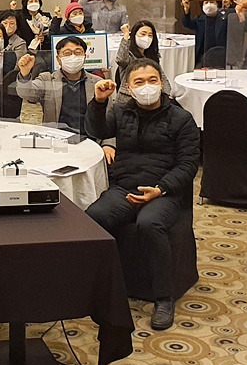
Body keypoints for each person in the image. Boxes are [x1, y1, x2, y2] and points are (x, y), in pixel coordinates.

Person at [85, 58, 201, 331]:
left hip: (164, 191)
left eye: (152, 80)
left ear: (161, 84)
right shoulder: (122, 111)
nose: (147, 86)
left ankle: (164, 298)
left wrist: (160, 189)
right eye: (139, 82)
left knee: (149, 223)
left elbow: (188, 165)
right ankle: (100, 287)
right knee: (93, 217)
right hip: (125, 187)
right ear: (128, 87)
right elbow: (96, 131)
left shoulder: (181, 119)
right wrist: (99, 102)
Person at [16, 37, 111, 152]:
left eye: (78, 52)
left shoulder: (97, 83)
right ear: (58, 59)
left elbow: (110, 116)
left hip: (91, 141)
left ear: (85, 57)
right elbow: (27, 93)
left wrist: (108, 144)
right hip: (55, 141)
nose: (73, 57)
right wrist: (25, 75)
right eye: (67, 53)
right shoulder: (47, 79)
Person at [181, 0, 247, 66]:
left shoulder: (226, 17)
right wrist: (186, 10)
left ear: (217, 4)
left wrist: (232, 7)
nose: (209, 5)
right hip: (203, 58)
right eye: (206, 2)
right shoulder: (200, 19)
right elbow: (187, 23)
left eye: (212, 2)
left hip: (225, 58)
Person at [115, 21, 172, 98]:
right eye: (143, 34)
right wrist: (126, 36)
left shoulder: (151, 56)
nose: (146, 38)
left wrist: (167, 95)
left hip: (152, 97)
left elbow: (162, 77)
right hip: (129, 97)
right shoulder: (129, 56)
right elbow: (121, 60)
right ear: (134, 35)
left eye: (150, 35)